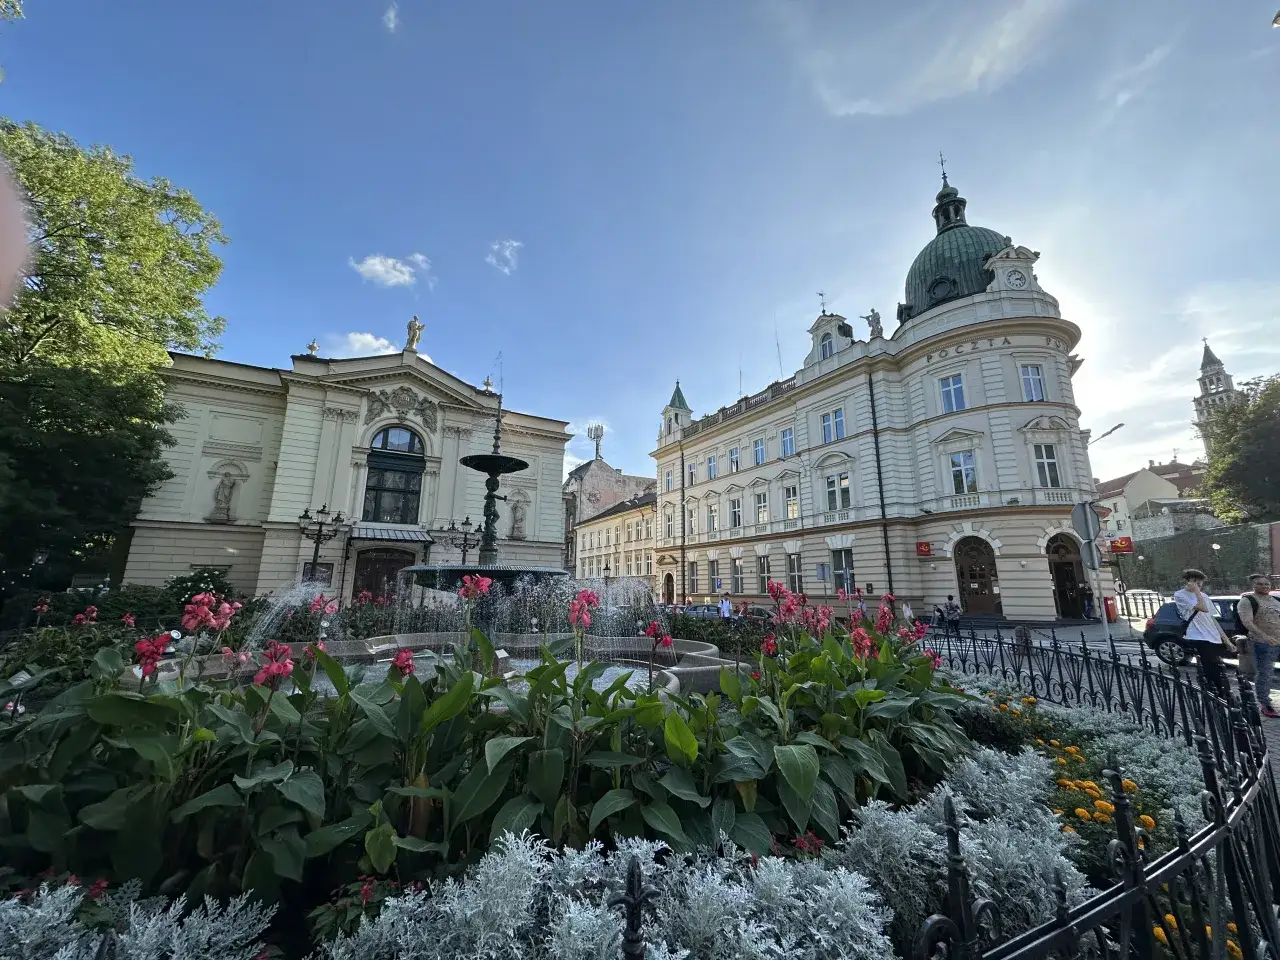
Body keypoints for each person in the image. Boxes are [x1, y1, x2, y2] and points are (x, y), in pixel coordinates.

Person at [1173, 568, 1235, 697]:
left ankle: (1217, 691)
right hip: (1198, 635)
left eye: (1200, 582)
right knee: (1210, 665)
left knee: (1217, 665)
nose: (1198, 584)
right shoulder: (1180, 595)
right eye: (1195, 581)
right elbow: (1203, 608)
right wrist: (1196, 592)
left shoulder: (1204, 596)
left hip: (1212, 636)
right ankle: (1217, 693)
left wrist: (1226, 640)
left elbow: (1212, 619)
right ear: (1187, 581)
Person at [1238, 573, 1280, 718]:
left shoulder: (1275, 601)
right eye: (1260, 584)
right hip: (1262, 644)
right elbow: (1247, 622)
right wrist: (1265, 636)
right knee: (1265, 674)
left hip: (1278, 641)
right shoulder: (1247, 600)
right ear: (1253, 585)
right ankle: (1265, 704)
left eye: (1266, 584)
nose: (1264, 586)